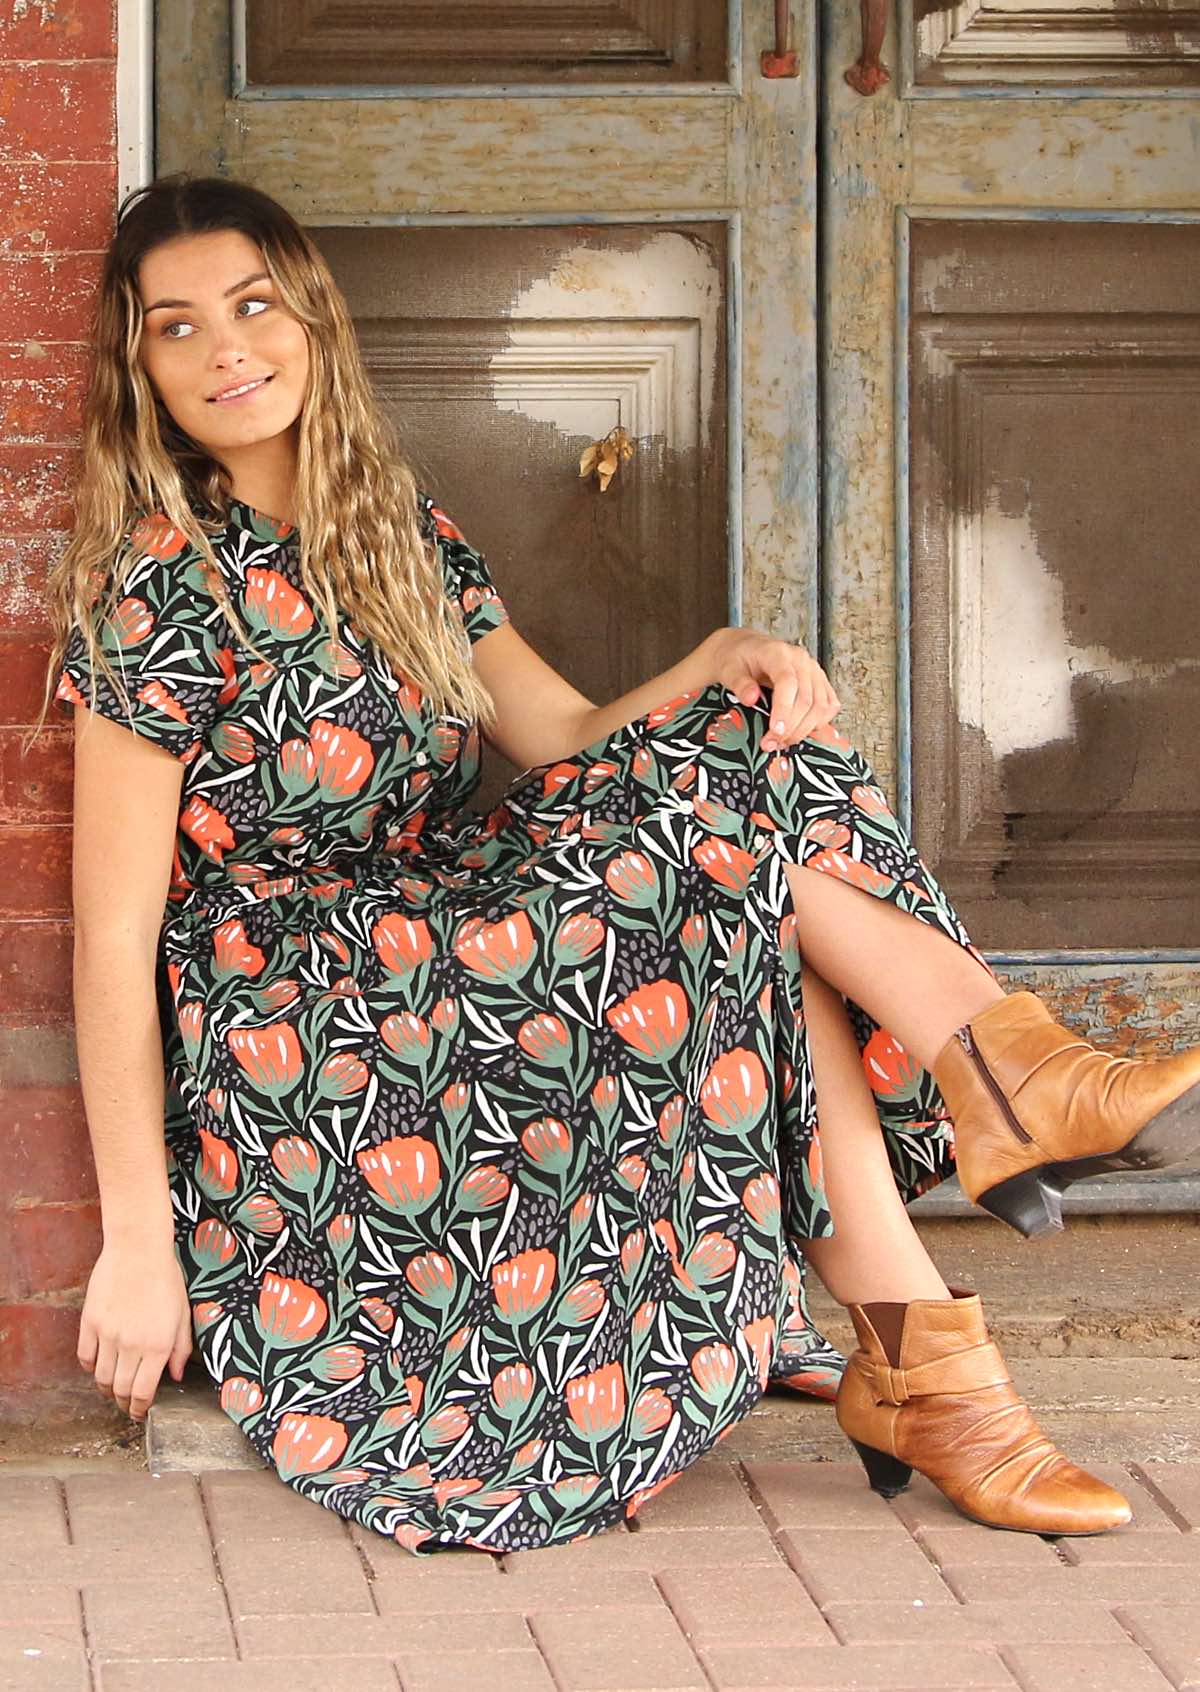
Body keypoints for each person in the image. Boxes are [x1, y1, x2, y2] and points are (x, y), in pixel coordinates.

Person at [29, 172, 1200, 1557]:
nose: (226, 349)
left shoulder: (395, 532)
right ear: (142, 371)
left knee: (747, 770)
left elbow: (565, 737)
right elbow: (115, 936)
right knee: (725, 861)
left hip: (447, 933)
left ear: (314, 322)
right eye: (176, 327)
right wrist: (139, 1238)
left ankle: (936, 1337)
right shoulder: (159, 584)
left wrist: (715, 659)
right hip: (302, 1016)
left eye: (253, 306)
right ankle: (998, 1115)